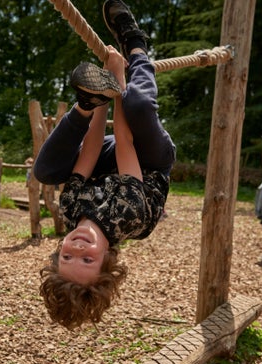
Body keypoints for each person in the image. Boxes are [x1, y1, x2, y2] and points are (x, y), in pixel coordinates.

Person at [33, 0, 175, 329]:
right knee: (136, 105)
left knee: (45, 173)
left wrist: (98, 98)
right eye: (87, 259)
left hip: (108, 162)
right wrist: (116, 77)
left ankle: (81, 106)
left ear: (58, 251)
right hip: (148, 162)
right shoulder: (127, 215)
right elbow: (125, 140)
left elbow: (92, 150)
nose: (78, 248)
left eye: (67, 256)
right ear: (107, 259)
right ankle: (135, 41)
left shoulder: (70, 210)